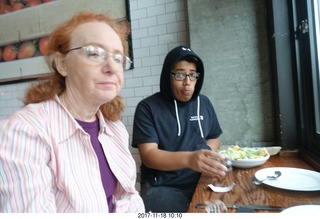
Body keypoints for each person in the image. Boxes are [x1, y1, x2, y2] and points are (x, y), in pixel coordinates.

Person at [0, 11, 145, 213]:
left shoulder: (115, 129)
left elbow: (127, 198)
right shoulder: (24, 131)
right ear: (62, 64)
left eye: (118, 58)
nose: (112, 67)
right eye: (94, 53)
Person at [132, 45, 229, 212]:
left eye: (193, 75)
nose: (187, 82)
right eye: (180, 75)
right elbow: (149, 155)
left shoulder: (204, 103)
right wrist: (191, 159)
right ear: (167, 76)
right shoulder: (147, 108)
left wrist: (206, 153)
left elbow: (214, 136)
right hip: (163, 187)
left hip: (202, 180)